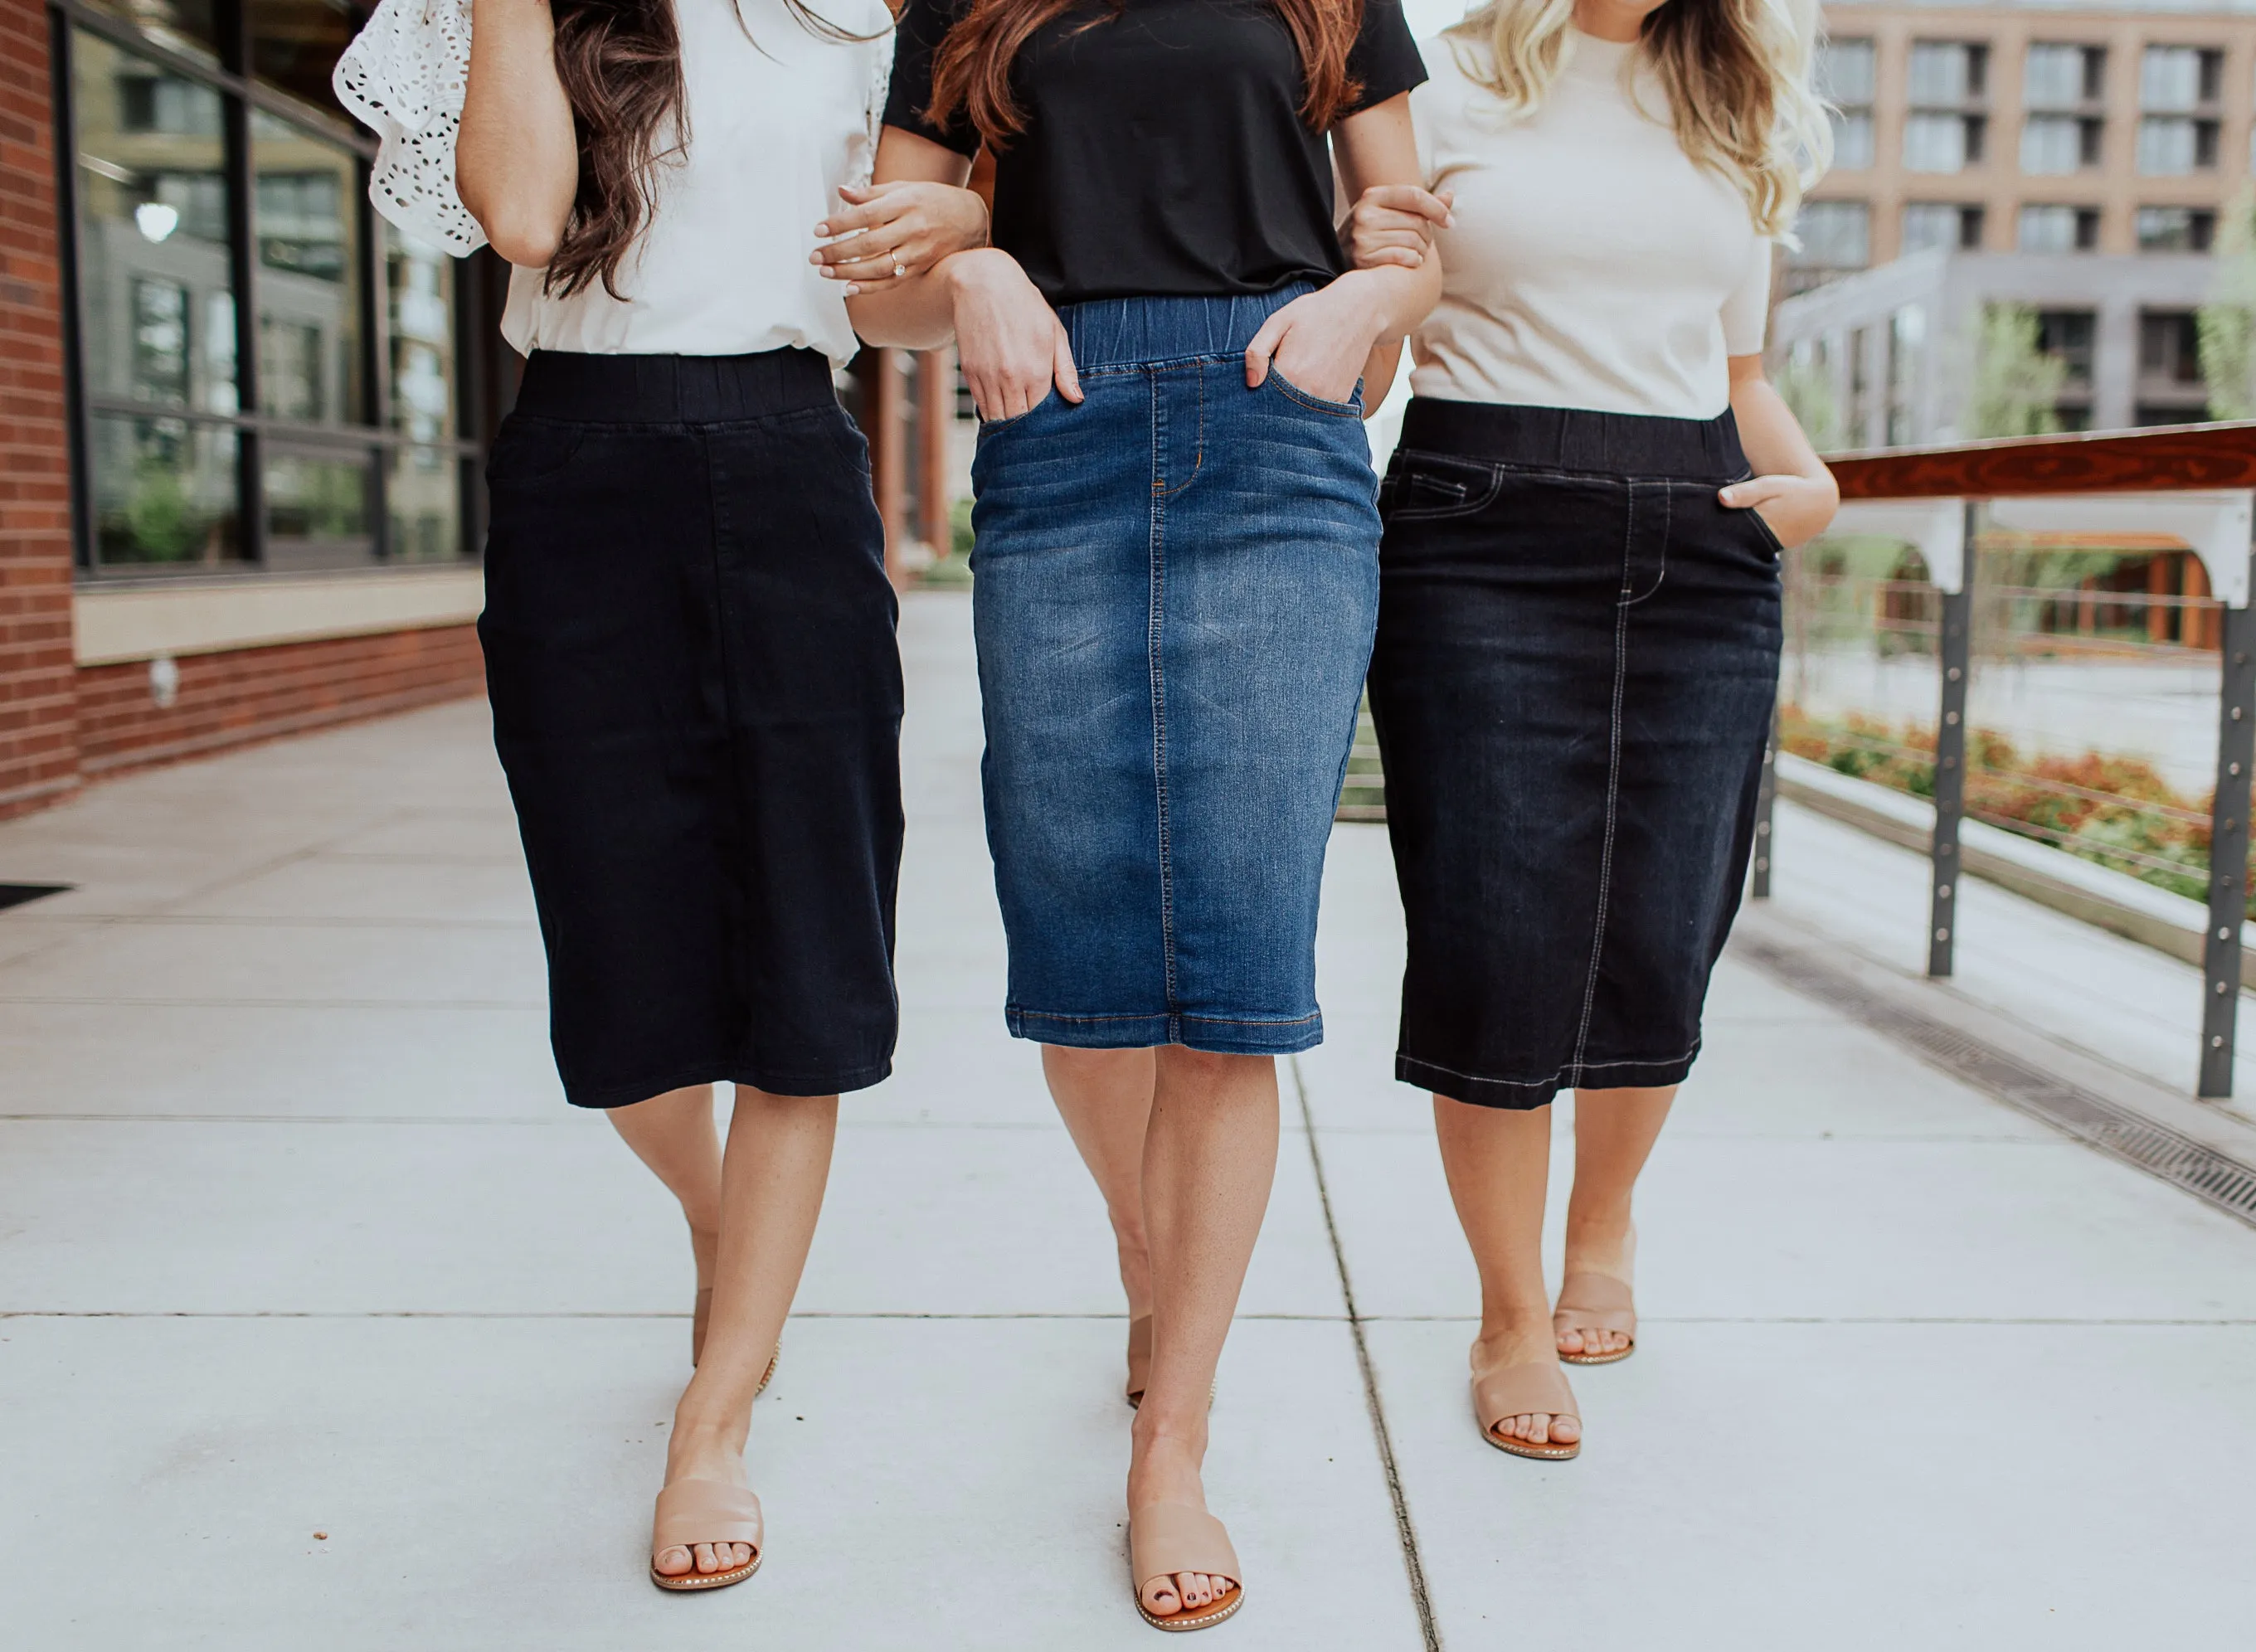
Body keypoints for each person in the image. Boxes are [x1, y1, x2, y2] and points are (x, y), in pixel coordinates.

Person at [333, 0, 988, 1591]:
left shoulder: (870, 23)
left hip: (784, 459)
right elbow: (524, 216)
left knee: (807, 957)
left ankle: (713, 1415)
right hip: (580, 474)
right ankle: (725, 1233)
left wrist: (966, 223)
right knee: (622, 983)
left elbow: (893, 314)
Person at [834, 0, 1439, 1626]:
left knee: (1233, 971)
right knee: (1084, 951)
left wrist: (1366, 303)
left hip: (1281, 447)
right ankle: (1149, 1247)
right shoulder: (963, 9)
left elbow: (1420, 235)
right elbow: (875, 280)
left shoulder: (1330, 1)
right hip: (1058, 444)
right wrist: (972, 263)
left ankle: (1173, 1444)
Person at [1342, 0, 1839, 1460]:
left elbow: (1741, 381)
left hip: (1706, 533)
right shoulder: (1436, 82)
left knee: (1665, 918)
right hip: (1481, 516)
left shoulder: (1734, 101)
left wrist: (1808, 490)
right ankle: (1506, 1315)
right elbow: (1382, 338)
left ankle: (1602, 1225)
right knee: (1495, 930)